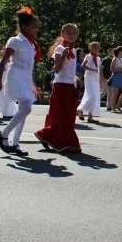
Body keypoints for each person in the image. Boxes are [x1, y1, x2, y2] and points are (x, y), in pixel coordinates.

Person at [0, 7, 42, 157]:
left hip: (26, 80)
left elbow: (29, 68)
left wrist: (34, 85)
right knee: (26, 108)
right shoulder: (16, 40)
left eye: (37, 26)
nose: (36, 29)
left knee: (23, 112)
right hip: (15, 77)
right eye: (34, 26)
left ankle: (15, 144)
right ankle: (3, 134)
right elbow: (3, 62)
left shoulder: (31, 44)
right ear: (24, 26)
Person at [34, 24, 81, 153]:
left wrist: (75, 78)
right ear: (63, 34)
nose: (71, 35)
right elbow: (57, 69)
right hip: (61, 85)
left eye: (74, 33)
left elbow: (70, 70)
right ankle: (68, 143)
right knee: (63, 116)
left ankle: (46, 135)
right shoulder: (60, 49)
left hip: (70, 85)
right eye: (69, 33)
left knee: (67, 116)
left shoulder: (74, 50)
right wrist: (64, 56)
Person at [0, 47, 18, 120]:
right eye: (2, 54)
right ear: (0, 55)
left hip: (5, 84)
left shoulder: (9, 65)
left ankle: (8, 112)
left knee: (7, 99)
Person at [77, 42, 103, 123]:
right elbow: (83, 66)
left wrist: (100, 79)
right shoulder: (88, 56)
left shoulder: (98, 58)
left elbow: (99, 69)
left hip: (96, 78)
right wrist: (92, 70)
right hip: (89, 77)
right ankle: (80, 109)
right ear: (90, 48)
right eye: (94, 47)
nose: (96, 49)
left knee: (95, 96)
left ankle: (90, 116)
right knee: (91, 96)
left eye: (97, 47)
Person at [109, 46, 122, 113]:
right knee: (115, 93)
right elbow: (111, 69)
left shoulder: (121, 59)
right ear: (119, 51)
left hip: (121, 76)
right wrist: (120, 69)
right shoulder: (115, 59)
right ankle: (113, 108)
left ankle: (117, 105)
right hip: (116, 76)